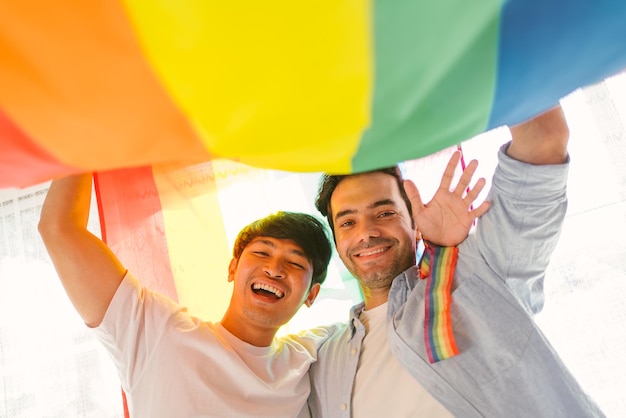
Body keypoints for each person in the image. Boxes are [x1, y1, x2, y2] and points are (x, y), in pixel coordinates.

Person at [309, 105, 605, 417]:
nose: (366, 233)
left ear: (415, 223)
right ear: (337, 241)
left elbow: (544, 139)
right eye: (347, 223)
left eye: (385, 213)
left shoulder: (477, 275)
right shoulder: (322, 357)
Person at [38, 173, 336, 418]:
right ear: (233, 268)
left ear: (312, 295)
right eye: (261, 252)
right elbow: (59, 228)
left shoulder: (313, 354)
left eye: (295, 263)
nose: (274, 269)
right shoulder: (158, 334)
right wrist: (82, 126)